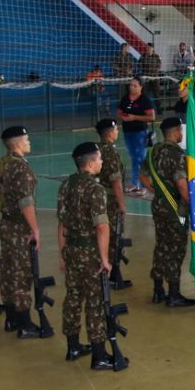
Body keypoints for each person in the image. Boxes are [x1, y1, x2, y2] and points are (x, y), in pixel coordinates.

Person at [57, 142, 116, 370]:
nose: (102, 162)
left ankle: (73, 346)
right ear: (90, 164)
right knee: (95, 302)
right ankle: (99, 355)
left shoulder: (67, 185)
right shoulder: (95, 190)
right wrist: (104, 258)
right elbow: (102, 227)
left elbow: (62, 224)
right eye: (99, 159)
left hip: (71, 249)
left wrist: (63, 253)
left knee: (73, 296)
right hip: (90, 252)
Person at [138, 117, 195, 308]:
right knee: (175, 249)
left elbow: (143, 176)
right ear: (176, 131)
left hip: (159, 205)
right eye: (180, 130)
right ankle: (173, 293)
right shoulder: (177, 155)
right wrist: (194, 207)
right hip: (174, 208)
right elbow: (181, 185)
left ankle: (157, 290)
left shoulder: (154, 151)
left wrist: (158, 191)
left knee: (161, 245)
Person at [0, 126, 43, 338]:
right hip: (19, 225)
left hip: (6, 223)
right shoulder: (20, 168)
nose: (29, 142)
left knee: (8, 270)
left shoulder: (2, 164)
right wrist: (35, 229)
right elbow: (26, 202)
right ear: (17, 144)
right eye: (26, 139)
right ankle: (25, 323)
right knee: (22, 273)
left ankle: (12, 317)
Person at [95, 119, 130, 290]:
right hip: (110, 200)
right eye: (116, 130)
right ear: (110, 132)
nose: (117, 132)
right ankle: (111, 274)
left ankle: (113, 274)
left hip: (99, 198)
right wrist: (122, 203)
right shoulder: (110, 152)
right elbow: (116, 180)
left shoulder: (97, 149)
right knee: (113, 237)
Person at [117, 77, 155, 195]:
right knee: (134, 158)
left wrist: (134, 117)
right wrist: (122, 117)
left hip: (140, 133)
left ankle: (145, 185)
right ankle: (135, 183)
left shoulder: (145, 100)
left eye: (134, 85)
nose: (131, 87)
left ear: (140, 87)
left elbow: (151, 117)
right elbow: (118, 113)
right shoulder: (125, 99)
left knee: (141, 159)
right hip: (127, 132)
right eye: (130, 85)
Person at [173, 84, 195, 150]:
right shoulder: (177, 105)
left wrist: (193, 141)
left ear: (190, 90)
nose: (180, 90)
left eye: (183, 88)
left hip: (191, 146)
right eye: (179, 87)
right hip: (179, 146)